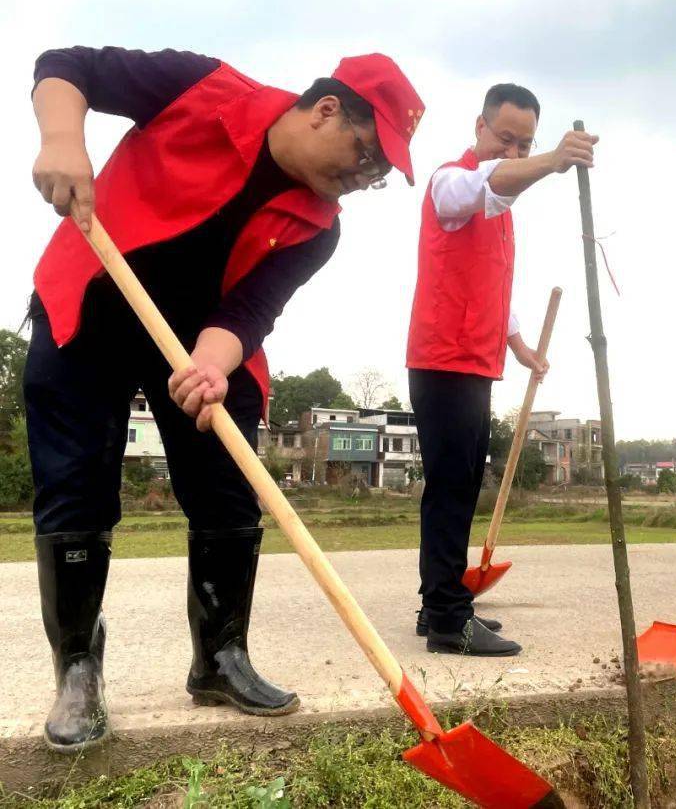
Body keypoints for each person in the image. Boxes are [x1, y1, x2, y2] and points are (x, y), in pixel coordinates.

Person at [26, 46, 423, 752]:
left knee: (230, 491)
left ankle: (220, 657)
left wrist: (213, 363)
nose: (364, 179)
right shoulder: (203, 88)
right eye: (366, 156)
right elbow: (66, 65)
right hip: (91, 299)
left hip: (205, 339)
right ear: (328, 109)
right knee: (75, 486)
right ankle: (78, 669)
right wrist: (63, 140)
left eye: (379, 175)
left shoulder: (319, 224)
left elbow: (252, 308)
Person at [406, 84, 597, 656]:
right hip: (444, 357)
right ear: (479, 127)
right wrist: (552, 160)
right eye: (505, 138)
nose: (512, 152)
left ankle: (437, 604)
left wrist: (518, 345)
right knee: (451, 488)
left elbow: (496, 286)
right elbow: (485, 186)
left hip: (475, 360)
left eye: (525, 143)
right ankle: (446, 615)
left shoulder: (499, 208)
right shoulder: (451, 182)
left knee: (459, 485)